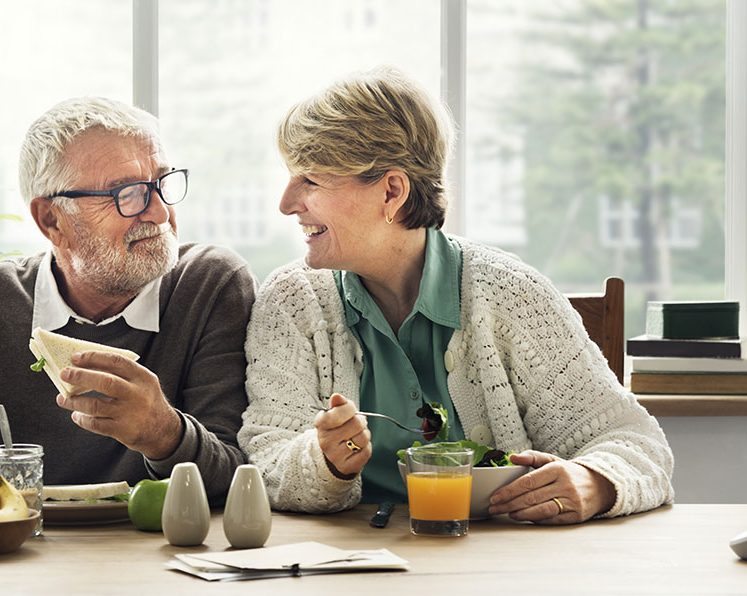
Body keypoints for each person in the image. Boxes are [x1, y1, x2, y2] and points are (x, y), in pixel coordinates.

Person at [238, 67, 674, 523]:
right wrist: (322, 461)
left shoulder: (513, 294)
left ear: (391, 190)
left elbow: (635, 441)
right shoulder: (292, 301)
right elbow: (264, 459)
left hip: (499, 567)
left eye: (310, 179)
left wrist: (596, 480)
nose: (287, 203)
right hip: (344, 568)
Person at [0, 97, 256, 504]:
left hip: (162, 562)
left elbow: (241, 484)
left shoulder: (211, 286)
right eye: (127, 194)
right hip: (5, 560)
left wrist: (164, 434)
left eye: (161, 183)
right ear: (51, 219)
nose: (160, 213)